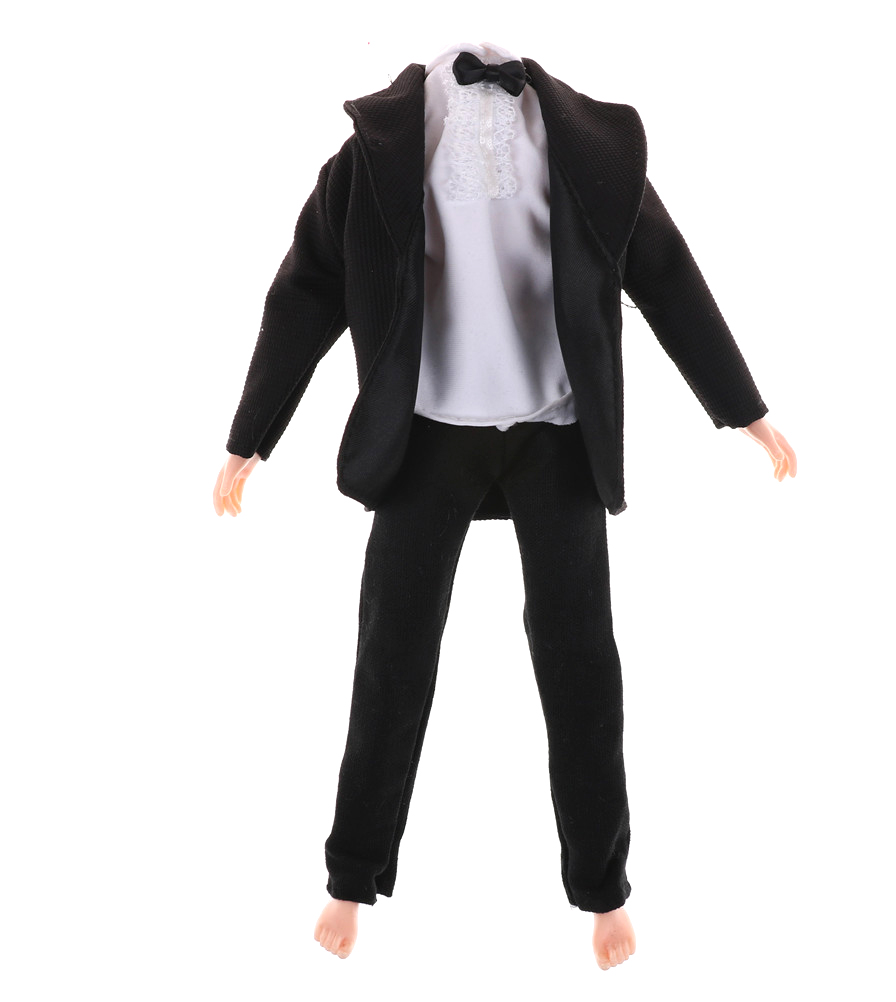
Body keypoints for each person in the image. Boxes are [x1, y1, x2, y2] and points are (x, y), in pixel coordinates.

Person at [212, 42, 796, 971]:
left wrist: (744, 410)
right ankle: (351, 877)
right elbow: (308, 286)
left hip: (556, 432)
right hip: (425, 431)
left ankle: (603, 890)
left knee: (581, 662)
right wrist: (252, 434)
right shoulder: (375, 148)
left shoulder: (589, 144)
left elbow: (665, 271)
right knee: (392, 656)